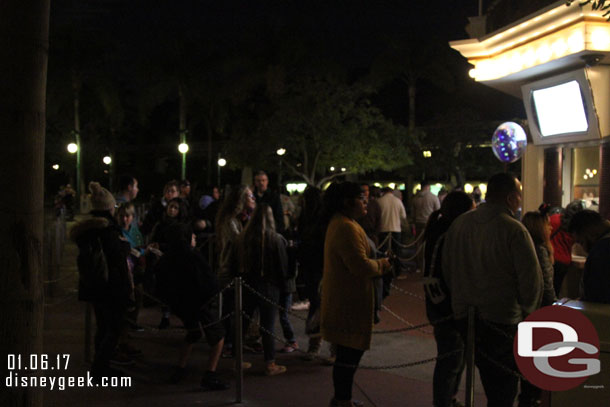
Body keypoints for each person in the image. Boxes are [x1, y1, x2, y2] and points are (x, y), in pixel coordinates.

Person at [442, 173, 542, 407]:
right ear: (510, 197)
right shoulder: (514, 230)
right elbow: (531, 281)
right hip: (503, 318)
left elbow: (448, 270)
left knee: (487, 376)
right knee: (503, 387)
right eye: (519, 195)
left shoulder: (460, 224)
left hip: (465, 315)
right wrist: (529, 314)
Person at [321, 182, 392, 407]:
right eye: (361, 198)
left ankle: (343, 398)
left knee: (348, 357)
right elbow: (359, 265)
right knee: (348, 357)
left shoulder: (344, 223)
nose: (366, 202)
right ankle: (342, 400)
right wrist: (384, 264)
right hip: (349, 302)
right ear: (347, 202)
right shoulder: (346, 227)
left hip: (348, 299)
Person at [155, 223, 229, 390]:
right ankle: (210, 374)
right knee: (218, 336)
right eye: (193, 235)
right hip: (199, 303)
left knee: (193, 333)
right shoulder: (192, 255)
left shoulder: (168, 257)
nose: (195, 238)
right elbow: (208, 280)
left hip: (180, 304)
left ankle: (180, 368)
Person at [70, 182, 132, 379]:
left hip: (93, 285)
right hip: (110, 287)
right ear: (108, 208)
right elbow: (117, 259)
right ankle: (100, 368)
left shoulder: (87, 231)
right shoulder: (108, 230)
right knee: (112, 329)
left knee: (103, 326)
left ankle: (100, 364)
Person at [422, 191, 474, 407]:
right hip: (446, 308)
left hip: (449, 306)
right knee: (450, 359)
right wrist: (446, 308)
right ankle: (443, 401)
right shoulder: (445, 232)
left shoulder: (446, 229)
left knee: (457, 358)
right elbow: (432, 277)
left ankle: (449, 398)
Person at [238, 204, 289, 376]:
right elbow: (282, 268)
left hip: (247, 284)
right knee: (267, 326)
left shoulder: (244, 238)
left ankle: (238, 360)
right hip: (269, 286)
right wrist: (285, 290)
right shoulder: (276, 239)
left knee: (243, 323)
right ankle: (270, 363)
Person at [519, 209, 558, 407]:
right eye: (547, 224)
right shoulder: (541, 250)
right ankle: (531, 398)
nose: (551, 227)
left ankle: (527, 397)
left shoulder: (523, 246)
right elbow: (546, 284)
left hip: (525, 310)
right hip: (539, 311)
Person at [215, 185, 256, 356]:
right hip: (229, 270)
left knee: (240, 309)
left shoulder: (242, 218)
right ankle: (226, 345)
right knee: (230, 309)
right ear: (240, 200)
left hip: (240, 269)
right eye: (249, 196)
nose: (253, 198)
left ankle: (236, 342)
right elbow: (240, 242)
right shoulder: (230, 220)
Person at [296, 186, 326, 358]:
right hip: (313, 265)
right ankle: (316, 344)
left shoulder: (315, 219)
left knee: (319, 304)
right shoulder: (310, 217)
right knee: (317, 304)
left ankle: (316, 345)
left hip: (316, 266)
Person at [569, 210, 610, 304]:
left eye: (581, 242)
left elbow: (597, 295)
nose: (584, 249)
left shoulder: (602, 251)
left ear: (588, 231)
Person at [376, 186, 407, 297]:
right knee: (397, 251)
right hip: (395, 229)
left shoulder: (379, 201)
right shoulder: (397, 201)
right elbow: (403, 216)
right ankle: (397, 272)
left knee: (383, 252)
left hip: (383, 229)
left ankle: (382, 270)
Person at [549, 200, 584, 297]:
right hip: (564, 262)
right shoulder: (577, 228)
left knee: (548, 289)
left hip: (551, 259)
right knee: (557, 288)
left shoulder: (555, 219)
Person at [412, 180, 441, 272]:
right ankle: (428, 264)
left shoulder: (415, 198)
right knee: (430, 243)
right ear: (428, 186)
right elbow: (438, 211)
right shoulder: (433, 197)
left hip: (418, 222)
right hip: (430, 223)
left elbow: (413, 213)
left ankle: (419, 265)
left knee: (418, 244)